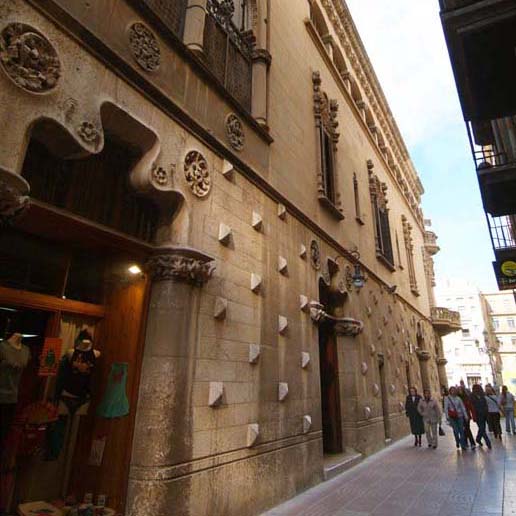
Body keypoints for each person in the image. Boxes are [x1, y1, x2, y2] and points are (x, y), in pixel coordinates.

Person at [445, 386, 468, 450]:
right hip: (452, 417)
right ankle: (457, 441)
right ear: (450, 391)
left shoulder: (458, 398)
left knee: (461, 430)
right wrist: (447, 417)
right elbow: (446, 408)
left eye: (454, 390)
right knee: (456, 430)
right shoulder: (447, 398)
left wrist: (465, 415)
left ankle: (462, 444)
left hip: (459, 415)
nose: (453, 391)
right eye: (452, 390)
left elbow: (462, 407)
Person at [470, 384, 492, 449]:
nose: (477, 390)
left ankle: (478, 439)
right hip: (477, 415)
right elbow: (472, 406)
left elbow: (485, 404)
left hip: (484, 414)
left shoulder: (482, 395)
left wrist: (486, 411)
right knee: (482, 429)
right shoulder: (471, 396)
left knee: (482, 428)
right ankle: (488, 442)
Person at [458, 385, 476, 449]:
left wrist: (473, 415)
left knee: (467, 428)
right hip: (460, 416)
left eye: (461, 390)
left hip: (467, 415)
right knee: (465, 429)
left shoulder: (466, 398)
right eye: (459, 390)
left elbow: (471, 407)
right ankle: (467, 443)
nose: (460, 391)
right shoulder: (457, 399)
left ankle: (470, 443)